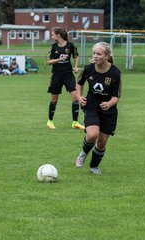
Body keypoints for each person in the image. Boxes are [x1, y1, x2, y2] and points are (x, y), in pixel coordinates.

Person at [74, 42, 122, 174]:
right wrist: (79, 97)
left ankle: (94, 167)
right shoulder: (88, 69)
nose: (95, 56)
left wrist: (109, 104)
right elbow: (79, 84)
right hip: (91, 106)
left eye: (99, 54)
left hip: (109, 111)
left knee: (101, 142)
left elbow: (116, 96)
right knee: (92, 134)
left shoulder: (115, 73)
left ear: (107, 56)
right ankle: (83, 153)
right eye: (94, 53)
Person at [46, 27, 84, 130]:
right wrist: (59, 59)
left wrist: (75, 67)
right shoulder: (53, 47)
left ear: (58, 35)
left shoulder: (70, 46)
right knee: (54, 99)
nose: (52, 36)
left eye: (53, 34)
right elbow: (48, 61)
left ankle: (75, 122)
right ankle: (50, 121)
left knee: (75, 97)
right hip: (56, 75)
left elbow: (76, 56)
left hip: (68, 75)